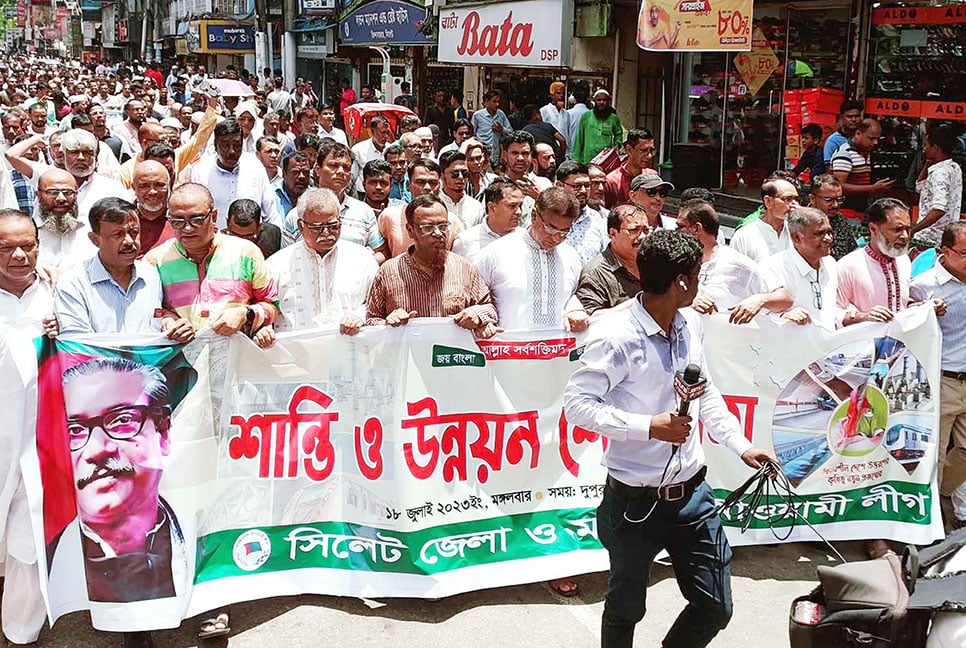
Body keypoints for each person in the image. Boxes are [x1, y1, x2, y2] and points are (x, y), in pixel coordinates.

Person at [563, 228, 774, 648]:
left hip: (693, 495)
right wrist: (650, 426)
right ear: (681, 281)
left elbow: (705, 391)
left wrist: (742, 444)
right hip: (634, 502)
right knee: (626, 608)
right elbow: (577, 405)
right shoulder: (616, 336)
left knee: (715, 606)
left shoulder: (690, 323)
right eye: (697, 274)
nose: (700, 283)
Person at [60, 357, 189, 611]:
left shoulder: (198, 528)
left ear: (163, 432)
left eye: (121, 420)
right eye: (74, 430)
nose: (97, 450)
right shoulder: (50, 557)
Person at [144, 183, 278, 338]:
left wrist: (246, 315)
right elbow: (147, 312)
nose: (187, 228)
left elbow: (272, 306)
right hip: (179, 359)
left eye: (197, 219)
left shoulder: (246, 253)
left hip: (237, 357)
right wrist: (167, 321)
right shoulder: (155, 261)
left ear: (213, 216)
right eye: (177, 221)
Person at [365, 194, 499, 338]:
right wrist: (388, 322)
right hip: (406, 357)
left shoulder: (464, 268)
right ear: (410, 230)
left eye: (443, 226)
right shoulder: (388, 272)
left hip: (451, 357)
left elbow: (490, 308)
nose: (438, 233)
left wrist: (477, 315)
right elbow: (371, 320)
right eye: (428, 228)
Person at [910, 222, 966, 530]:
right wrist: (925, 311)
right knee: (936, 456)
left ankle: (944, 496)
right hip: (942, 380)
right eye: (965, 253)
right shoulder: (924, 285)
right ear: (944, 252)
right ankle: (931, 522)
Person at [265, 188, 379, 339]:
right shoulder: (276, 264)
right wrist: (264, 329)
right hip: (296, 357)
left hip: (349, 351)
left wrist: (359, 316)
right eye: (317, 227)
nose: (326, 233)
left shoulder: (363, 258)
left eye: (333, 226)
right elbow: (264, 307)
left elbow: (378, 303)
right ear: (301, 226)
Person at [475, 187, 588, 333]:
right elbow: (473, 298)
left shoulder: (571, 256)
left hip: (559, 351)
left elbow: (573, 295)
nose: (556, 238)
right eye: (550, 229)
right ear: (534, 216)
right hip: (509, 350)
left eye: (564, 232)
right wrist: (484, 321)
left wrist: (575, 310)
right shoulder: (496, 253)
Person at [675, 199, 790, 322]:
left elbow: (785, 297)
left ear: (697, 229)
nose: (675, 232)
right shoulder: (675, 261)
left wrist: (759, 300)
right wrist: (689, 300)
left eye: (680, 227)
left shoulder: (738, 264)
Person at [283, 140, 388, 260]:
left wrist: (363, 263)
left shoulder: (364, 212)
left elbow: (381, 252)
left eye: (346, 168)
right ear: (317, 169)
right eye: (333, 165)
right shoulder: (297, 215)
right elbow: (286, 259)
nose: (341, 172)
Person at [759, 206, 841, 329]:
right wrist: (782, 317)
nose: (828, 239)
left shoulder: (830, 264)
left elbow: (830, 311)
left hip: (826, 345)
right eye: (819, 234)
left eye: (829, 232)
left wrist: (860, 316)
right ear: (796, 238)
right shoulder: (772, 268)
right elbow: (759, 316)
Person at [189, 119, 280, 229]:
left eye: (237, 145)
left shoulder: (255, 166)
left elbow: (271, 211)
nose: (232, 151)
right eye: (226, 145)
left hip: (252, 241)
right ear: (215, 145)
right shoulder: (201, 170)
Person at [378, 158, 462, 257]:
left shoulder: (452, 221)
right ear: (408, 185)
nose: (427, 187)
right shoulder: (389, 217)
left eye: (433, 183)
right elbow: (381, 253)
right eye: (420, 182)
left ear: (439, 186)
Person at [575, 204, 647, 314]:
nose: (642, 236)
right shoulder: (595, 273)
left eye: (646, 230)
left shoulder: (654, 263)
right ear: (613, 233)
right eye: (634, 230)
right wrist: (642, 302)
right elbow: (592, 320)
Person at [59, 128, 130, 224]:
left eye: (87, 153)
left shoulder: (113, 188)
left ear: (96, 156)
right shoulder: (48, 187)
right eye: (74, 152)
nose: (81, 158)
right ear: (63, 156)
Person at [34, 168, 96, 269]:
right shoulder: (28, 234)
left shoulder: (92, 230)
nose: (61, 198)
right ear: (39, 196)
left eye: (67, 192)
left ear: (76, 195)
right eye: (53, 192)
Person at [913, 125, 963, 247]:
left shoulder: (941, 173)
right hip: (943, 235)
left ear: (935, 148)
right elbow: (919, 187)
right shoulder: (953, 167)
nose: (924, 149)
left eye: (927, 145)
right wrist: (927, 164)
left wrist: (914, 229)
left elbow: (939, 209)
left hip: (930, 238)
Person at [831, 118, 895, 213]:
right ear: (858, 134)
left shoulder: (865, 152)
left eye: (877, 139)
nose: (875, 142)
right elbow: (838, 186)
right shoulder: (845, 153)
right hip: (847, 210)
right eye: (871, 138)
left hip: (860, 208)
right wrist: (872, 188)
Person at [730, 176, 798, 263]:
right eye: (787, 199)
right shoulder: (745, 236)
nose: (794, 205)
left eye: (796, 200)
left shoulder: (798, 233)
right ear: (768, 202)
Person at [452, 179, 524, 263]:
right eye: (512, 206)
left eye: (520, 206)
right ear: (492, 207)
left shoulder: (526, 239)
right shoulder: (465, 242)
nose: (519, 212)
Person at [555, 160, 607, 263]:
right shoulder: (548, 218)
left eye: (587, 186)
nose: (583, 191)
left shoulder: (597, 219)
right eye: (577, 186)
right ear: (559, 186)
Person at [808, 174, 859, 260]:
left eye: (839, 200)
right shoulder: (801, 223)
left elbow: (852, 251)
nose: (835, 205)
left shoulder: (840, 219)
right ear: (812, 199)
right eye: (828, 200)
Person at [605, 129, 656, 208]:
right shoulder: (612, 181)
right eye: (643, 150)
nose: (649, 156)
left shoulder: (653, 176)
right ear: (629, 150)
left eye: (652, 151)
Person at [572, 89, 623, 165]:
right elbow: (579, 139)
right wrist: (576, 160)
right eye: (599, 100)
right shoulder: (586, 116)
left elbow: (618, 134)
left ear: (608, 101)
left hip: (606, 159)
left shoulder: (613, 118)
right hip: (588, 159)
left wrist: (617, 144)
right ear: (594, 100)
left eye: (604, 100)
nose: (601, 102)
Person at [438, 150, 485, 228]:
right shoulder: (434, 204)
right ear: (442, 175)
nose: (460, 177)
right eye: (455, 173)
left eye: (464, 173)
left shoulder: (476, 207)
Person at [351, 115, 393, 194]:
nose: (386, 136)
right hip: (363, 196)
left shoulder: (390, 149)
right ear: (372, 131)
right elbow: (352, 177)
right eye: (382, 132)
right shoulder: (358, 150)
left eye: (388, 132)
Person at [471, 91, 512, 162]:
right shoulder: (477, 115)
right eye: (494, 101)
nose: (497, 104)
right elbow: (472, 135)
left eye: (498, 102)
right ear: (487, 102)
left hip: (496, 155)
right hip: (482, 154)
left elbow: (511, 132)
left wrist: (502, 129)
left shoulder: (501, 114)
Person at [823, 100, 864, 168]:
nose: (854, 119)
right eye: (849, 117)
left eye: (857, 116)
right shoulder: (833, 141)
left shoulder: (864, 137)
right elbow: (829, 168)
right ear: (841, 117)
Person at [565, 83, 591, 155]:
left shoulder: (568, 114)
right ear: (588, 97)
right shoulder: (592, 115)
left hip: (571, 154)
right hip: (587, 155)